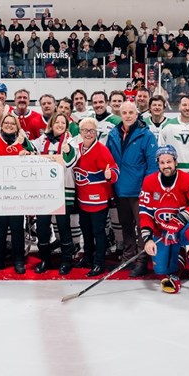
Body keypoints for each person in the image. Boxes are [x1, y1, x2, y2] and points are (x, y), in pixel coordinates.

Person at [139, 145, 189, 295]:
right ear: (158, 164)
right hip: (163, 232)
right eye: (162, 162)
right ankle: (178, 254)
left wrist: (181, 218)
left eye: (169, 162)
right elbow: (145, 212)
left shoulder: (187, 179)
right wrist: (147, 239)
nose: (166, 166)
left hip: (184, 228)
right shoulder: (149, 182)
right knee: (161, 270)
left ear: (175, 162)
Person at [106, 102, 159, 277]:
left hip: (139, 190)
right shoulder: (113, 134)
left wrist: (147, 189)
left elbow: (152, 165)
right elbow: (108, 159)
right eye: (124, 112)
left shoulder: (146, 135)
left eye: (131, 112)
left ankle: (142, 260)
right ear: (120, 114)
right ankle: (128, 257)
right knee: (126, 226)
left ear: (137, 114)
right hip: (120, 189)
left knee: (141, 227)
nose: (128, 115)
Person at [0, 114, 35, 274]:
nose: (9, 125)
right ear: (2, 125)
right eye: (6, 123)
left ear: (17, 127)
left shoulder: (22, 141)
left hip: (17, 193)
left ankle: (18, 259)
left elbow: (35, 156)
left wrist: (27, 153)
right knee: (0, 228)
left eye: (12, 123)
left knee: (17, 228)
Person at [30, 113, 78, 275]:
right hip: (43, 192)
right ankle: (45, 260)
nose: (59, 125)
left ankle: (66, 261)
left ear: (67, 125)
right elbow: (30, 147)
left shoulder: (71, 141)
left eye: (63, 123)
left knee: (64, 228)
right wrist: (24, 145)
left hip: (63, 191)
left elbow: (72, 162)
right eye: (57, 122)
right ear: (52, 123)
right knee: (42, 228)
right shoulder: (42, 139)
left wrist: (68, 150)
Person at [71, 117, 119, 276]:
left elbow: (115, 171)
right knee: (86, 230)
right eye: (85, 130)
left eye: (91, 130)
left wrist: (109, 174)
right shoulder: (76, 148)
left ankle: (99, 262)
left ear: (96, 132)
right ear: (80, 132)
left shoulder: (102, 150)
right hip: (82, 199)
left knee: (98, 232)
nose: (88, 133)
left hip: (98, 200)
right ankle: (88, 257)